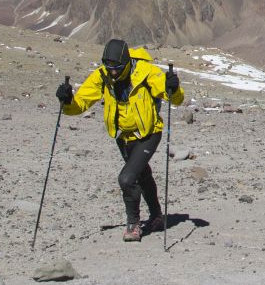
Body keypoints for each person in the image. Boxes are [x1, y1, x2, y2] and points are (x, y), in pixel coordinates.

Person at [55, 39, 184, 242]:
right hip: (123, 136)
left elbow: (172, 96)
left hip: (148, 134)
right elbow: (80, 104)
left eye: (117, 68)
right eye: (109, 68)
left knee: (126, 178)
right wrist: (67, 101)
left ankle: (133, 225)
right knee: (142, 175)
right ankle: (157, 216)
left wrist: (174, 89)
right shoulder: (102, 75)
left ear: (126, 63)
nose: (112, 72)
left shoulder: (146, 72)